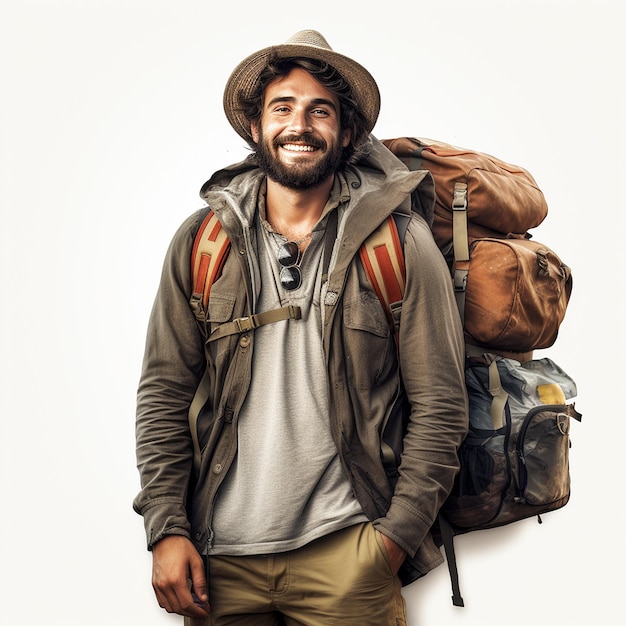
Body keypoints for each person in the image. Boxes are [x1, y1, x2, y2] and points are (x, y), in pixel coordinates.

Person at [134, 30, 469, 626]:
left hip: (348, 552)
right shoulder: (201, 242)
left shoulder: (400, 244)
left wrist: (392, 540)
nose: (299, 124)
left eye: (321, 110)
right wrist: (166, 527)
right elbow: (163, 393)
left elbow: (440, 404)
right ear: (257, 127)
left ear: (344, 133)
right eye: (282, 107)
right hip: (217, 562)